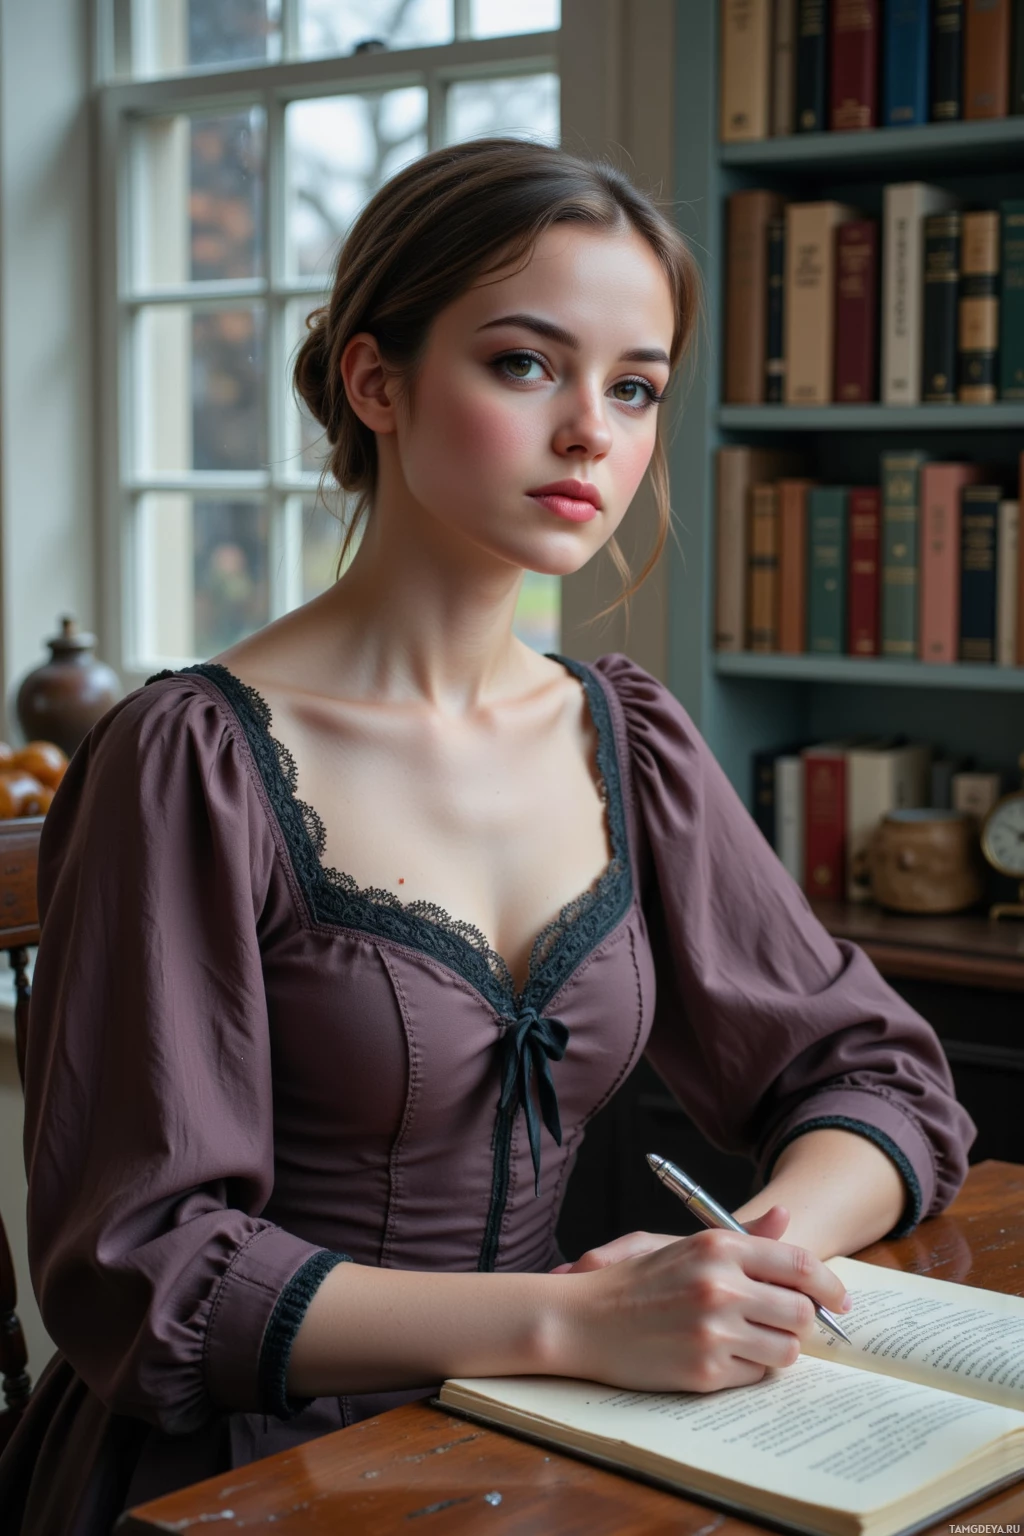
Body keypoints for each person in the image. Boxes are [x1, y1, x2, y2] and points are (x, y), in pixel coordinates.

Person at [0, 138, 975, 1534]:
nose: (593, 430)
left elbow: (870, 1070)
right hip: (236, 1472)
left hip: (540, 1436)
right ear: (376, 380)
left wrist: (748, 1263)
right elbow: (144, 1270)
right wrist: (577, 1326)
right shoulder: (189, 759)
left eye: (633, 387)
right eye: (526, 365)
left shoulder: (627, 738)